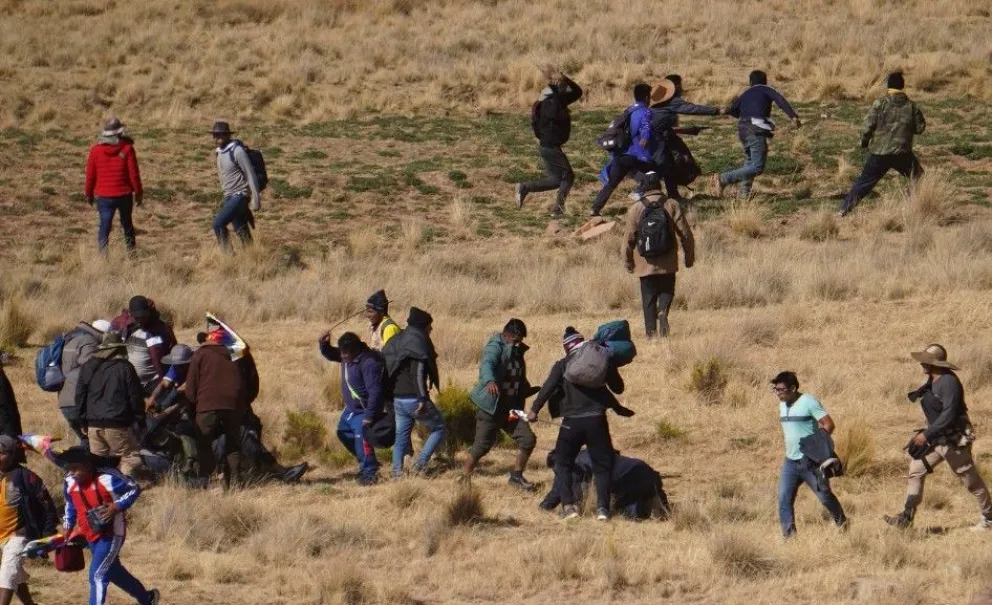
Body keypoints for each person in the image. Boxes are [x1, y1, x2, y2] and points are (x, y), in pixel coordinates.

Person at [528, 328, 635, 521]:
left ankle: (569, 506)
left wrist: (534, 410)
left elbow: (547, 388)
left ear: (566, 347)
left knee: (563, 463)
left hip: (571, 423)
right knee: (602, 465)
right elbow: (617, 388)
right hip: (597, 420)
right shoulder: (601, 360)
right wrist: (617, 405)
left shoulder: (562, 365)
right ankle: (603, 509)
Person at [884, 345, 992, 530]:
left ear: (937, 364)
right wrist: (927, 433)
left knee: (971, 482)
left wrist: (926, 434)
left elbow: (948, 415)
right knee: (916, 470)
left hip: (953, 440)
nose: (923, 364)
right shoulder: (933, 380)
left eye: (928, 361)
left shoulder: (948, 382)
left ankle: (989, 519)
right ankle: (906, 518)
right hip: (937, 439)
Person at [58, 446, 159, 605]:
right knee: (113, 571)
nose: (72, 473)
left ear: (87, 466)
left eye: (76, 468)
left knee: (97, 575)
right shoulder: (69, 482)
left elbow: (134, 488)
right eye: (69, 469)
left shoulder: (108, 478)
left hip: (112, 534)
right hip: (91, 534)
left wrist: (116, 506)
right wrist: (68, 525)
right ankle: (148, 599)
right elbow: (70, 505)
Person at [838, 72, 926, 217]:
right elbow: (920, 128)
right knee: (917, 176)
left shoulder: (879, 103)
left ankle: (843, 210)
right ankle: (910, 206)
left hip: (879, 153)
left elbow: (868, 126)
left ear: (888, 86)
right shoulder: (912, 106)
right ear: (902, 86)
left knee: (864, 183)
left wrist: (864, 142)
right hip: (902, 153)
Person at [771, 371, 847, 537]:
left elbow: (829, 424)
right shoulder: (782, 404)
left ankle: (843, 524)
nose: (777, 393)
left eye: (781, 390)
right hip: (790, 461)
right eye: (775, 389)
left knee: (825, 496)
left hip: (810, 461)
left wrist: (816, 448)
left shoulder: (809, 402)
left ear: (793, 388)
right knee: (784, 499)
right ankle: (790, 538)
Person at [465, 319, 538, 490]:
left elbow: (517, 376)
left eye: (520, 340)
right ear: (507, 335)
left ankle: (517, 476)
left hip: (512, 410)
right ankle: (464, 477)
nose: (519, 343)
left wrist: (527, 389)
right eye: (516, 340)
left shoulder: (516, 351)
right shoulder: (495, 346)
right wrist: (490, 380)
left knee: (528, 439)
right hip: (492, 407)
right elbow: (487, 365)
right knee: (481, 447)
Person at [185, 323, 259, 489]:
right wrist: (244, 402)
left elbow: (191, 387)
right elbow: (253, 380)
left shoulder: (201, 354)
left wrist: (194, 407)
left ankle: (206, 480)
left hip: (206, 404)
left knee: (203, 442)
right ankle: (236, 482)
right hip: (235, 403)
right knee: (233, 443)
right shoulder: (240, 352)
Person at [622, 173, 695, 338]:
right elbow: (686, 234)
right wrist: (688, 258)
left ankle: (650, 334)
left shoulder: (636, 208)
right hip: (667, 260)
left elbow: (628, 239)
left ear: (643, 187)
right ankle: (662, 312)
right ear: (659, 185)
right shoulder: (671, 204)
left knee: (648, 298)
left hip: (644, 262)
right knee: (667, 291)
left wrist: (628, 262)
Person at [713, 70, 801, 199]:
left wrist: (744, 113)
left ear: (750, 82)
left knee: (749, 163)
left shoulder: (746, 93)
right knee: (757, 167)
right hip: (756, 129)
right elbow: (780, 100)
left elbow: (732, 110)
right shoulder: (766, 89)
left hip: (742, 129)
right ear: (765, 80)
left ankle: (743, 195)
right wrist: (793, 116)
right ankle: (723, 179)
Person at [633, 76, 722, 200]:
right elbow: (692, 108)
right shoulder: (672, 101)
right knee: (660, 165)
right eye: (680, 85)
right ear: (676, 87)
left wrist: (686, 130)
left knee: (666, 165)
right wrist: (717, 110)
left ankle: (673, 195)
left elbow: (661, 126)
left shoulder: (654, 102)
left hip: (645, 138)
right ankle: (640, 192)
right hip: (653, 140)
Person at [383, 308, 447, 477]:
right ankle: (420, 464)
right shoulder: (417, 343)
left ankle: (397, 473)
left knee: (401, 436)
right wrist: (422, 398)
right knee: (439, 428)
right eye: (429, 326)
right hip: (413, 398)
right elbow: (417, 372)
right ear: (422, 326)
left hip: (397, 398)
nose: (431, 329)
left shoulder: (397, 340)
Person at [74, 332, 146, 478]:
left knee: (98, 461)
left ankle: (100, 490)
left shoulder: (88, 366)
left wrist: (82, 420)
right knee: (130, 457)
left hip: (93, 423)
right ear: (118, 349)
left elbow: (80, 395)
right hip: (118, 422)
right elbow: (135, 396)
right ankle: (124, 485)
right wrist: (139, 417)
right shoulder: (125, 368)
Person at [515, 66, 583, 218]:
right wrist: (555, 85)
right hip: (550, 146)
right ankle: (557, 211)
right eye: (563, 86)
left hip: (549, 146)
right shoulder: (549, 102)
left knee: (555, 180)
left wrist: (565, 78)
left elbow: (578, 92)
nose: (566, 89)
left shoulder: (555, 98)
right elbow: (553, 115)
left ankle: (524, 187)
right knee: (568, 177)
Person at [319, 332, 385, 486]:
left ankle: (369, 474)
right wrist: (324, 345)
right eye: (341, 352)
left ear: (355, 349)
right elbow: (332, 354)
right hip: (351, 410)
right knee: (343, 432)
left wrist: (369, 416)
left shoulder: (368, 363)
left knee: (362, 441)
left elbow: (375, 391)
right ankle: (368, 461)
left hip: (364, 410)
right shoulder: (346, 355)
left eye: (346, 353)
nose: (343, 356)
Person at [0, 436, 58, 605]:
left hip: (19, 534)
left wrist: (46, 536)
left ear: (12, 455)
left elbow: (48, 508)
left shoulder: (27, 478)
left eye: (1, 453)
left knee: (7, 571)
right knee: (14, 574)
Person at [539, 447, 670, 520]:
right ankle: (657, 509)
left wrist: (544, 507)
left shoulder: (573, 464)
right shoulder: (590, 452)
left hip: (626, 479)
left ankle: (645, 510)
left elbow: (561, 489)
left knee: (616, 510)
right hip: (647, 472)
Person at [590, 83, 657, 217]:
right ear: (646, 97)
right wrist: (645, 137)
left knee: (611, 184)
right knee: (653, 173)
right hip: (635, 155)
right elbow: (646, 127)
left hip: (620, 155)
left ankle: (594, 208)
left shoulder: (629, 109)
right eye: (649, 97)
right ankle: (646, 206)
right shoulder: (646, 111)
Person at [84, 118, 143, 253]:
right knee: (127, 224)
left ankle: (103, 256)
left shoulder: (95, 151)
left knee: (104, 225)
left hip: (104, 196)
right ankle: (131, 253)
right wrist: (138, 193)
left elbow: (90, 176)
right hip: (124, 194)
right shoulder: (128, 149)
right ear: (120, 133)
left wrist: (88, 194)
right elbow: (134, 175)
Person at [59, 320, 112, 447]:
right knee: (93, 441)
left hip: (65, 398)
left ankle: (78, 463)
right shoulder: (90, 342)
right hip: (78, 400)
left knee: (85, 439)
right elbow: (90, 370)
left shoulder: (73, 338)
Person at [211, 121, 261, 253]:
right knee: (242, 230)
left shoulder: (237, 151)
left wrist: (256, 199)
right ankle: (253, 257)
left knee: (218, 223)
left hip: (240, 196)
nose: (216, 138)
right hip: (229, 197)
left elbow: (251, 175)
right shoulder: (219, 153)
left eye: (220, 134)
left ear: (227, 135)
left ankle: (228, 258)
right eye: (214, 135)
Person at [111, 296, 177, 394]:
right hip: (132, 382)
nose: (141, 320)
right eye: (137, 317)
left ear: (148, 313)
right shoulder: (125, 325)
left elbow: (169, 353)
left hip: (154, 382)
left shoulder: (160, 329)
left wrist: (164, 379)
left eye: (143, 317)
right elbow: (113, 328)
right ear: (131, 315)